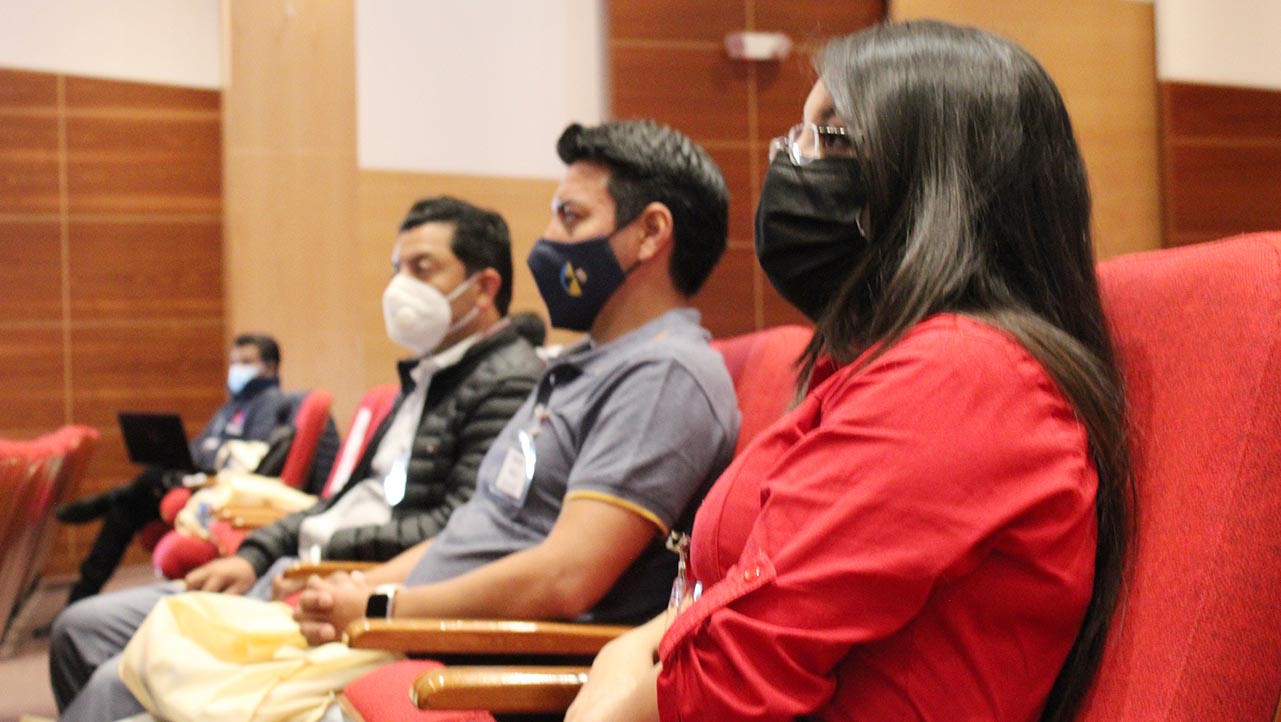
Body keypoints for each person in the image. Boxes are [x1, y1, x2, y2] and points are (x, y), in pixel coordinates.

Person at [566, 21, 1134, 722]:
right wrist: (633, 653)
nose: (792, 162)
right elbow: (729, 602)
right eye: (797, 135)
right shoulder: (874, 365)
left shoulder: (961, 377)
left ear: (939, 177)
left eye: (830, 138)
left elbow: (730, 677)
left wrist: (622, 671)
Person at [50, 195, 546, 720]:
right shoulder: (425, 376)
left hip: (346, 583)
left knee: (117, 681)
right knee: (78, 631)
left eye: (422, 268)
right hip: (300, 568)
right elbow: (338, 501)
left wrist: (316, 556)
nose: (400, 286)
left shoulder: (509, 382)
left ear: (485, 287)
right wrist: (256, 553)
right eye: (396, 269)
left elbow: (458, 530)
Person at [55, 333, 295, 602]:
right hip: (197, 476)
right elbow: (199, 447)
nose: (237, 369)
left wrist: (206, 456)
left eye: (246, 361)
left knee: (139, 490)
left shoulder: (272, 403)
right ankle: (80, 596)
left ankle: (106, 503)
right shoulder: (231, 406)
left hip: (221, 489)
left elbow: (248, 453)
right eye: (234, 362)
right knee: (127, 508)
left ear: (270, 367)